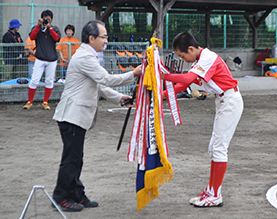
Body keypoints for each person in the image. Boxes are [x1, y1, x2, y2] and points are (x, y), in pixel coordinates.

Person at [52, 20, 142, 212]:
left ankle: (76, 194)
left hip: (74, 116)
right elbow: (105, 79)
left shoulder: (87, 55)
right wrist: (133, 73)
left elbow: (99, 86)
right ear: (91, 38)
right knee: (72, 158)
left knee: (76, 158)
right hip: (71, 116)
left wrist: (119, 98)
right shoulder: (85, 57)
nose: (106, 41)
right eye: (103, 37)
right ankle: (61, 196)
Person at [162, 32, 244, 207]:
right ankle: (211, 191)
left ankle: (215, 195)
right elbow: (183, 85)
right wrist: (159, 95)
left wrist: (162, 75)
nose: (183, 60)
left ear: (191, 49)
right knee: (214, 148)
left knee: (219, 148)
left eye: (183, 56)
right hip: (224, 101)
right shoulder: (200, 59)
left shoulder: (207, 57)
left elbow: (186, 79)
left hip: (229, 101)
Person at [23, 9, 61, 110]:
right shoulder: (37, 28)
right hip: (40, 58)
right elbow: (32, 36)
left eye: (48, 19)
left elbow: (57, 38)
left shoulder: (55, 28)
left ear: (51, 20)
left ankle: (45, 102)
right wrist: (38, 25)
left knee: (49, 81)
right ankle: (30, 101)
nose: (46, 21)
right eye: (45, 19)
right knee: (34, 80)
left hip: (52, 59)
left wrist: (50, 28)